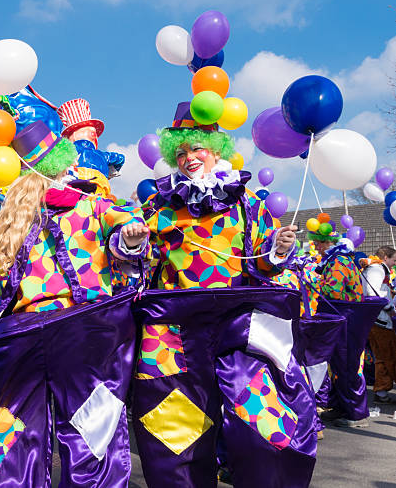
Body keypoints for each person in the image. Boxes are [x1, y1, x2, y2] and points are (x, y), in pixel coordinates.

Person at [132, 103, 316, 488]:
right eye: (180, 153)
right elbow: (143, 261)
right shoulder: (160, 206)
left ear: (215, 149)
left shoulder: (247, 203)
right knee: (175, 430)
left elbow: (261, 261)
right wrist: (131, 244)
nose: (188, 159)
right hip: (173, 330)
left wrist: (278, 250)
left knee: (260, 424)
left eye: (196, 149)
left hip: (238, 325)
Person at [0, 121, 149, 487]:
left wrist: (129, 237)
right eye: (62, 168)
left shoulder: (94, 206)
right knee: (25, 420)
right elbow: (4, 279)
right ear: (43, 173)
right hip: (42, 332)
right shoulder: (17, 219)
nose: (69, 174)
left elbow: (125, 225)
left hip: (79, 328)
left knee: (84, 422)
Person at [313, 229, 385, 428]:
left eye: (319, 243)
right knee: (338, 365)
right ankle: (341, 406)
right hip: (341, 319)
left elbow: (332, 290)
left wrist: (312, 283)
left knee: (346, 365)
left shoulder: (338, 262)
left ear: (328, 243)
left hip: (344, 320)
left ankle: (356, 414)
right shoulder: (340, 259)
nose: (316, 247)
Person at [361, 246, 396, 403]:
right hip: (380, 320)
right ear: (385, 258)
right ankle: (381, 391)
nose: (394, 264)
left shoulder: (376, 268)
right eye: (394, 260)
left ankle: (381, 391)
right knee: (388, 356)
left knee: (383, 356)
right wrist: (389, 309)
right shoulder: (376, 269)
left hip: (376, 319)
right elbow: (372, 292)